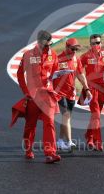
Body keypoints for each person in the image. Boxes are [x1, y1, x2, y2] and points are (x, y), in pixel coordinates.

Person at [16, 30, 61, 164]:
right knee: (30, 125)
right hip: (32, 97)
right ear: (39, 42)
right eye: (47, 45)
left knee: (50, 123)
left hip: (47, 95)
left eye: (50, 45)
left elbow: (56, 74)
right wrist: (26, 91)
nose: (49, 47)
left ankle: (50, 153)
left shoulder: (53, 55)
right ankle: (28, 150)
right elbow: (19, 75)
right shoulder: (28, 55)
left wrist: (56, 90)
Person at [53, 38, 92, 150]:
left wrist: (87, 89)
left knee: (66, 117)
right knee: (65, 115)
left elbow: (80, 75)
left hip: (71, 93)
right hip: (59, 92)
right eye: (72, 49)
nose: (75, 51)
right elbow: (50, 75)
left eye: (76, 49)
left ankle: (60, 140)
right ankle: (69, 142)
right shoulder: (58, 59)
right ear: (66, 47)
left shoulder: (76, 59)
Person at [79, 34, 104, 151]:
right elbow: (78, 70)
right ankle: (98, 142)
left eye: (98, 43)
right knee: (96, 115)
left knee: (96, 116)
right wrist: (85, 87)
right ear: (90, 45)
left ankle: (89, 136)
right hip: (91, 89)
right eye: (93, 43)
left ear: (101, 43)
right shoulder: (85, 56)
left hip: (102, 88)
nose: (96, 45)